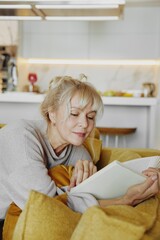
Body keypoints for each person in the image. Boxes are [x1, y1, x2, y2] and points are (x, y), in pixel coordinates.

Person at [0, 76, 159, 225]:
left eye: (90, 116)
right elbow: (46, 205)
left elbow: (91, 198)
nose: (84, 124)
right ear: (52, 114)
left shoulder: (79, 154)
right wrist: (125, 200)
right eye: (74, 113)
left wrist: (141, 181)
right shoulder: (21, 136)